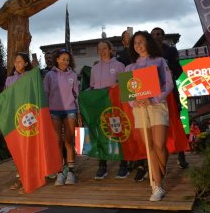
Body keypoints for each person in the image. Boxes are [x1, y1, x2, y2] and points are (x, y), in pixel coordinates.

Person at [125, 31, 173, 201]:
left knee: (159, 144)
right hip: (139, 110)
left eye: (141, 41)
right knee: (149, 147)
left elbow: (169, 84)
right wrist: (134, 103)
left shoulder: (160, 61)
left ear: (148, 43)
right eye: (135, 43)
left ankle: (160, 174)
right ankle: (157, 185)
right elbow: (129, 92)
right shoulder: (130, 68)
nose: (138, 45)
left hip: (157, 106)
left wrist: (155, 98)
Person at [151, 27, 189, 170]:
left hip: (170, 93)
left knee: (175, 122)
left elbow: (179, 70)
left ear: (163, 36)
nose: (156, 37)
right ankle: (155, 161)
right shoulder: (147, 53)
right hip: (154, 96)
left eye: (158, 34)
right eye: (153, 35)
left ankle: (181, 156)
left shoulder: (170, 51)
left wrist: (168, 80)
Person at [90, 40, 128, 179]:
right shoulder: (94, 68)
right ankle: (102, 166)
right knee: (102, 135)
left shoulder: (119, 65)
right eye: (99, 49)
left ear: (110, 49)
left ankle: (124, 165)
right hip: (100, 107)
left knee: (119, 134)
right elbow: (92, 88)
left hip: (116, 106)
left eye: (105, 48)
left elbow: (125, 85)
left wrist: (117, 86)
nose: (102, 51)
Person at [43, 49, 81, 186]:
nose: (65, 62)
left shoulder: (73, 75)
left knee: (69, 141)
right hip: (54, 112)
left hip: (70, 111)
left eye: (68, 59)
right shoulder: (49, 76)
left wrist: (79, 112)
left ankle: (70, 172)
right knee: (57, 142)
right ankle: (60, 172)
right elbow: (45, 95)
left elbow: (77, 95)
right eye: (63, 59)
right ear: (57, 59)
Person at [5, 52, 33, 194]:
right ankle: (21, 177)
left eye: (20, 61)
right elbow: (6, 98)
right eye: (15, 61)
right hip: (14, 118)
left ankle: (29, 179)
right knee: (18, 150)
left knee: (28, 148)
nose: (17, 64)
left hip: (28, 117)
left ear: (26, 63)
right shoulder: (9, 79)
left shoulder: (30, 77)